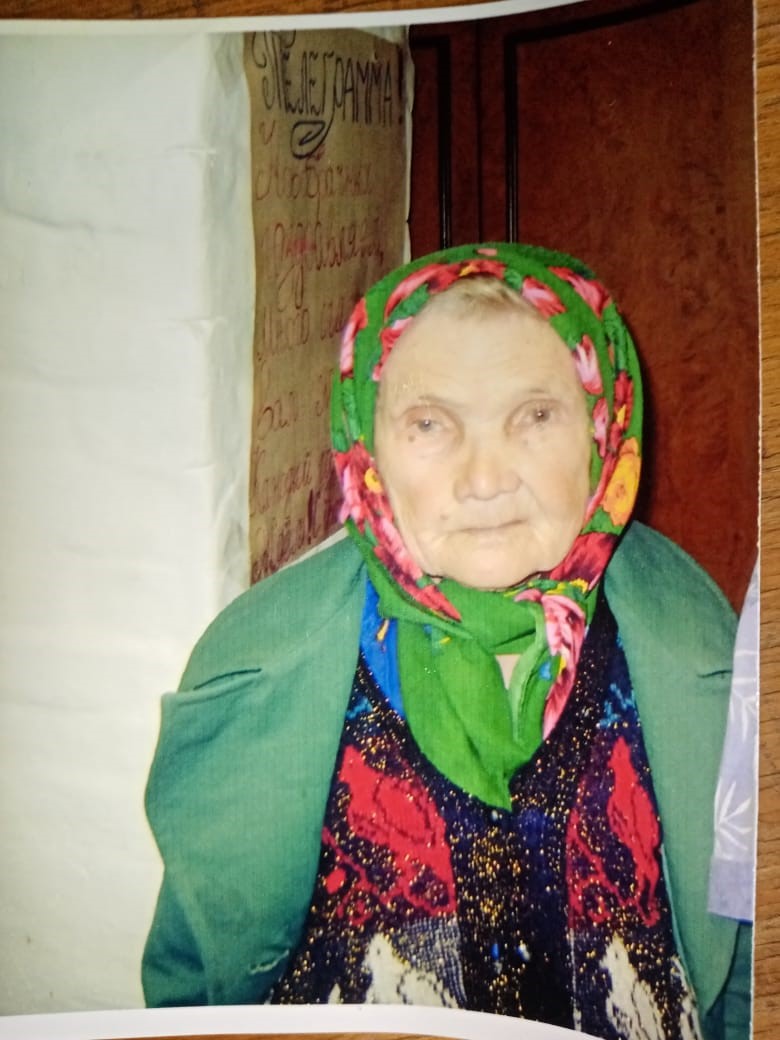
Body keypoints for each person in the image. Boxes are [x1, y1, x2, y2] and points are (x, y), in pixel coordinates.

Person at [143, 243, 751, 1040]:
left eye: (535, 417)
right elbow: (195, 997)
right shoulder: (262, 664)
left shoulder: (698, 639)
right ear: (368, 444)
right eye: (431, 423)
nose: (485, 478)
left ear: (603, 429)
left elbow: (749, 966)